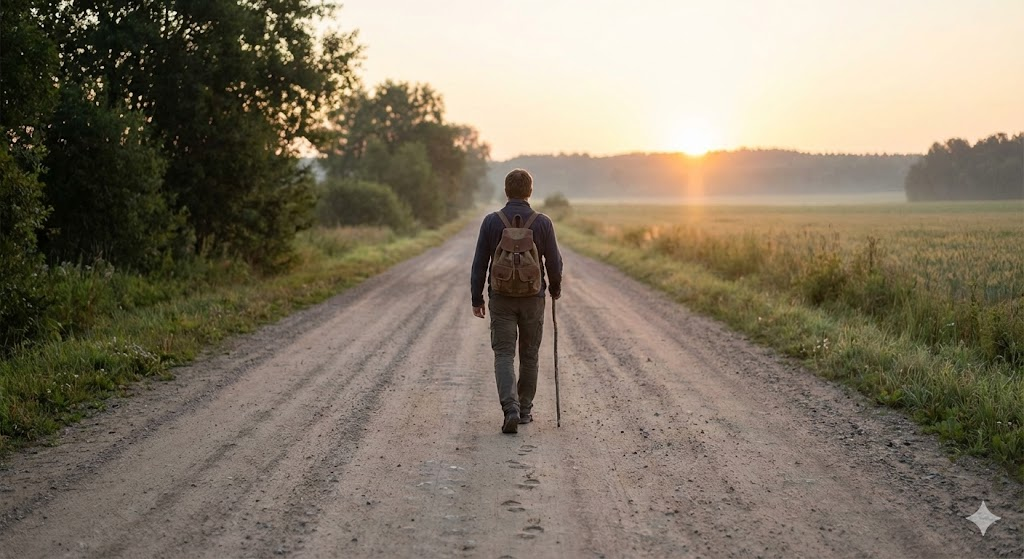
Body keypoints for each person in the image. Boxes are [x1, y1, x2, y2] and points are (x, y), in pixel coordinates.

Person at [471, 168, 563, 434]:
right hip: (533, 298)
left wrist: (477, 298)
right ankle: (524, 410)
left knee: (503, 354)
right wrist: (554, 288)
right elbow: (554, 263)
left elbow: (479, 264)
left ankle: (508, 408)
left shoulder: (491, 222)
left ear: (506, 191)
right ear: (530, 192)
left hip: (500, 298)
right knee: (530, 354)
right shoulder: (543, 222)